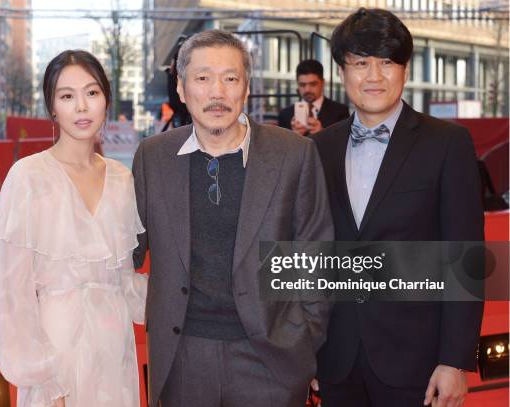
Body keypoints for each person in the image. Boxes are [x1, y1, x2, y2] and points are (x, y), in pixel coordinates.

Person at [132, 30, 333, 407]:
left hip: (270, 360)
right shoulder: (153, 157)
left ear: (246, 87)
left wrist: (304, 339)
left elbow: (315, 259)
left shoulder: (294, 154)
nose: (217, 92)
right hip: (183, 360)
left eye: (230, 78)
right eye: (203, 78)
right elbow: (124, 251)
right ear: (181, 86)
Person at [312, 8, 484, 407]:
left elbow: (465, 257)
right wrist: (304, 354)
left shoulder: (447, 144)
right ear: (341, 72)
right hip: (335, 361)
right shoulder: (317, 149)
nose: (374, 77)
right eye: (360, 63)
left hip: (418, 364)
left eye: (387, 62)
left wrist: (455, 360)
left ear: (405, 69)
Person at [0, 50, 146, 407]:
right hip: (56, 348)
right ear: (52, 108)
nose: (81, 107)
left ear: (106, 99)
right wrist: (44, 380)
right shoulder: (28, 176)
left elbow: (125, 280)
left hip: (114, 347)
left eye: (92, 93)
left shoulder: (122, 179)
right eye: (67, 96)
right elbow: (12, 294)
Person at [277, 59, 349, 136]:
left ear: (323, 83)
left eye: (313, 84)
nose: (307, 90)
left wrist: (322, 134)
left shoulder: (340, 112)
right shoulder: (285, 115)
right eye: (302, 85)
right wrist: (294, 137)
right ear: (297, 85)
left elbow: (345, 145)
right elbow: (280, 147)